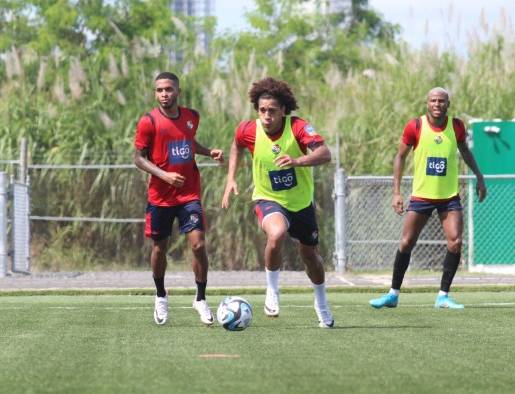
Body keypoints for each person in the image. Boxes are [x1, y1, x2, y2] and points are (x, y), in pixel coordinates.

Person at [222, 77, 334, 328]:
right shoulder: (248, 130)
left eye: (272, 111)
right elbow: (236, 144)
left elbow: (325, 153)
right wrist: (231, 178)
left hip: (301, 203)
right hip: (268, 198)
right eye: (262, 110)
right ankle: (272, 290)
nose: (267, 116)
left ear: (283, 110)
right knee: (277, 233)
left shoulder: (299, 128)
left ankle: (321, 302)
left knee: (310, 256)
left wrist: (297, 161)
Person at [370, 87, 487, 310]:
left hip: (449, 197)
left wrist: (479, 177)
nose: (437, 104)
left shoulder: (456, 126)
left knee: (456, 242)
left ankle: (443, 296)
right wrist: (396, 192)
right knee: (406, 242)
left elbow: (465, 151)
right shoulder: (415, 126)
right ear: (427, 103)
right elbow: (400, 157)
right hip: (422, 196)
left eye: (441, 101)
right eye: (433, 100)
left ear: (448, 104)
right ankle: (393, 294)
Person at [134, 72, 224, 325]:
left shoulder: (191, 117)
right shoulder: (148, 121)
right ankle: (161, 296)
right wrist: (164, 175)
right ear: (155, 93)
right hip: (160, 197)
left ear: (178, 91)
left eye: (169, 89)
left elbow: (187, 141)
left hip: (189, 194)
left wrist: (208, 152)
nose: (164, 94)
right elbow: (138, 158)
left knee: (198, 245)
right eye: (160, 90)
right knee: (159, 248)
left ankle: (201, 298)